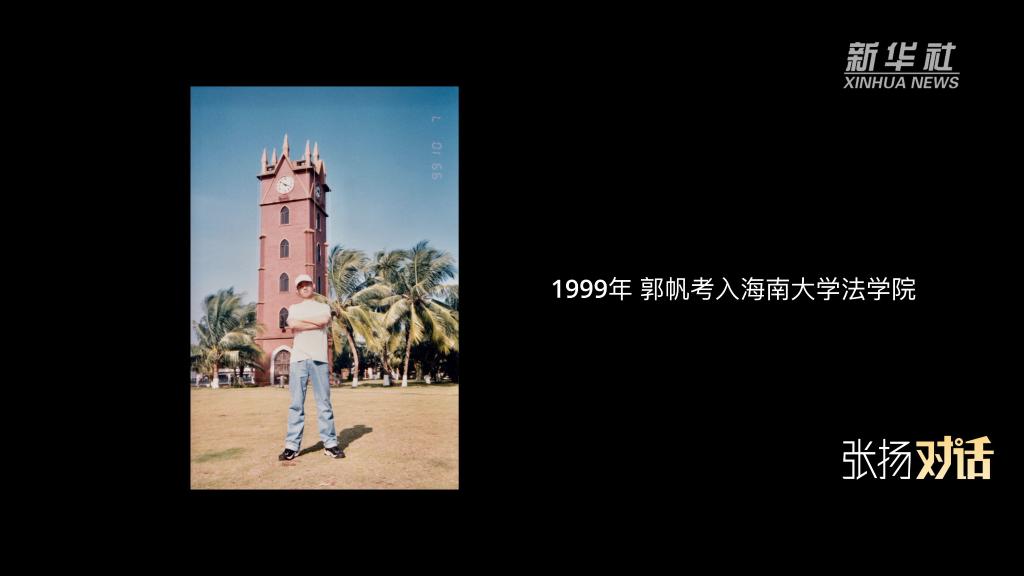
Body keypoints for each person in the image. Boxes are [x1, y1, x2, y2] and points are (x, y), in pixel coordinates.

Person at [278, 274, 345, 460]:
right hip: (298, 358)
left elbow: (324, 321)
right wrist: (314, 323)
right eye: (301, 286)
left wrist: (304, 323)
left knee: (324, 402)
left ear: (313, 285)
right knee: (296, 404)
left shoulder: (323, 307)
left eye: (307, 284)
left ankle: (330, 444)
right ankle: (292, 446)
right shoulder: (293, 308)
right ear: (297, 290)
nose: (305, 287)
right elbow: (292, 323)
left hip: (319, 358)